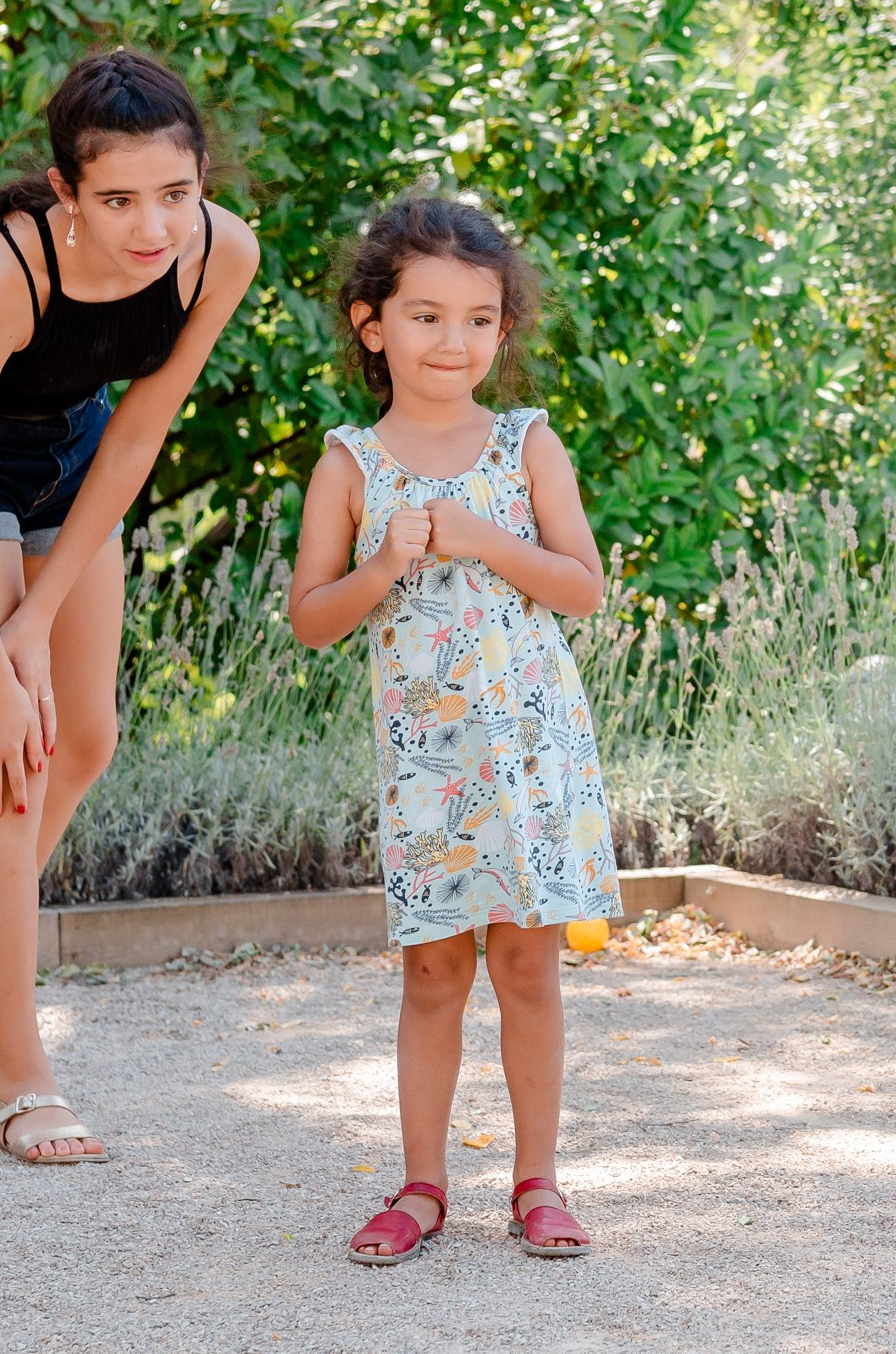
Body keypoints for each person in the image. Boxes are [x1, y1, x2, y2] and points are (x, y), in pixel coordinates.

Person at [0, 48, 259, 1163]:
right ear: (64, 189)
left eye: (176, 194)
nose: (153, 226)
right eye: (120, 199)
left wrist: (35, 624)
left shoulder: (219, 254)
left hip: (75, 453)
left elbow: (136, 430)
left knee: (83, 734)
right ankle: (20, 1077)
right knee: (11, 746)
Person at [287, 194, 619, 1262]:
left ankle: (537, 1179)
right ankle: (422, 1184)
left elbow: (583, 588)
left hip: (527, 753)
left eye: (479, 318)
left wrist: (479, 535)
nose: (454, 340)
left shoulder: (526, 441)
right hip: (427, 766)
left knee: (528, 967)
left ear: (503, 330)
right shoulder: (351, 462)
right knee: (432, 973)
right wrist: (382, 565)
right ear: (370, 323)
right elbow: (310, 618)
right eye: (425, 316)